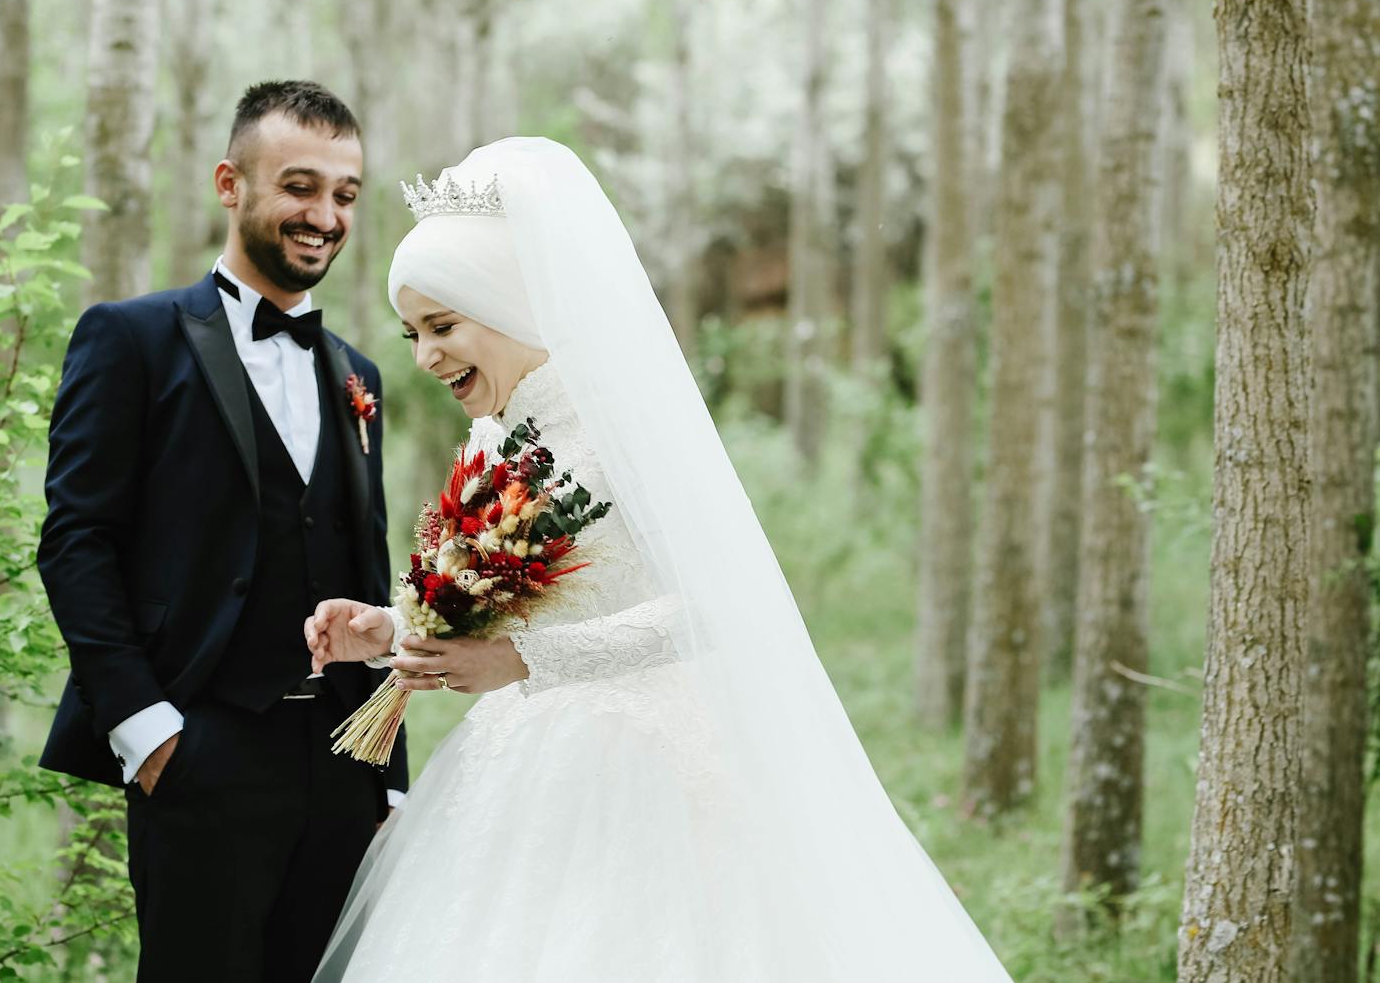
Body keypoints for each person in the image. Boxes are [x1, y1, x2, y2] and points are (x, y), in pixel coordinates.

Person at [305, 138, 1010, 980]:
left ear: (506, 303)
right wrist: (387, 628)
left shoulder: (618, 427)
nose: (424, 356)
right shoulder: (494, 436)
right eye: (413, 331)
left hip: (641, 772)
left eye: (444, 325)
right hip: (519, 770)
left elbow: (712, 604)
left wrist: (525, 657)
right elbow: (489, 604)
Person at [36, 80, 407, 982]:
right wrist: (148, 732)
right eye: (300, 186)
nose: (324, 214)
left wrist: (386, 771)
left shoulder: (356, 373)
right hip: (200, 754)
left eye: (346, 194)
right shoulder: (129, 338)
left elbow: (370, 563)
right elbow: (76, 541)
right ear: (230, 184)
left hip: (342, 768)